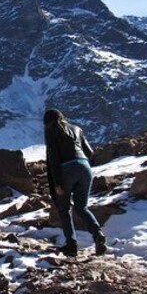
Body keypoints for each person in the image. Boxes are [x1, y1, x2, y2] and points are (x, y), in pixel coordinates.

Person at [43, 108, 107, 257]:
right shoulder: (77, 129)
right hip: (85, 168)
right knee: (82, 207)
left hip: (66, 169)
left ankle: (71, 245)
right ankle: (97, 234)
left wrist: (57, 183)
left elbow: (53, 158)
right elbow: (90, 152)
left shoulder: (52, 131)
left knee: (64, 209)